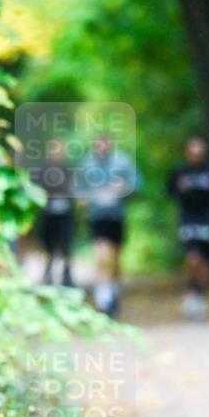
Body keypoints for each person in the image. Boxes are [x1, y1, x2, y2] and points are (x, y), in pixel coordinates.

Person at [79, 132, 140, 316]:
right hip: (97, 217)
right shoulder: (86, 164)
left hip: (116, 216)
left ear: (111, 144)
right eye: (98, 144)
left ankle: (114, 292)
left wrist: (123, 188)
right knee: (102, 255)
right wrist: (83, 198)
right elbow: (78, 189)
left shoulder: (123, 162)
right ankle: (102, 296)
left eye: (105, 143)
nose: (102, 147)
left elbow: (137, 184)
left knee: (115, 259)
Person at [168, 136, 209, 319]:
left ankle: (201, 293)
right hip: (188, 218)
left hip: (208, 218)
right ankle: (193, 286)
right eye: (192, 151)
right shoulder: (179, 172)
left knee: (206, 260)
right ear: (187, 152)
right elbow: (171, 192)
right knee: (192, 257)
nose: (196, 154)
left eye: (199, 151)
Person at [36, 139, 76, 286]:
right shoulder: (43, 170)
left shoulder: (67, 170)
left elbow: (72, 190)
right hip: (48, 215)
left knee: (66, 246)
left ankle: (67, 278)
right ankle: (48, 276)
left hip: (65, 215)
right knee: (48, 246)